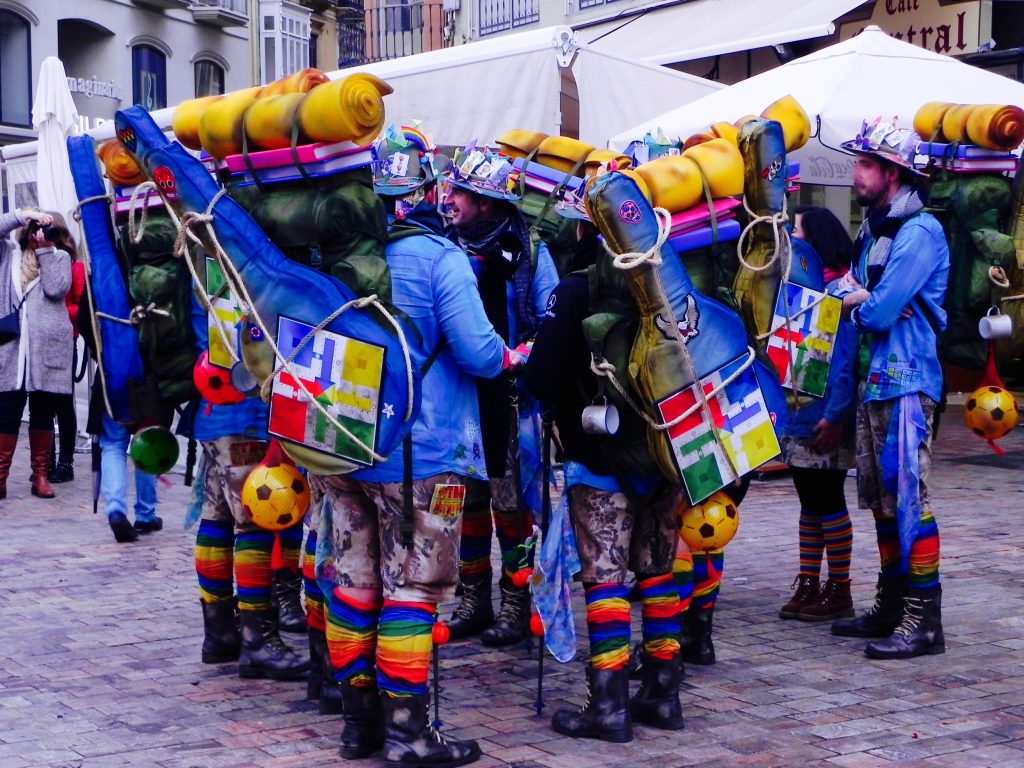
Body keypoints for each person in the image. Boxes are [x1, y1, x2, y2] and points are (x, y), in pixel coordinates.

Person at [312, 179, 522, 766]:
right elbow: (480, 353)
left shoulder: (323, 251)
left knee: (353, 583)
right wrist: (512, 356)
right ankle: (409, 734)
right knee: (415, 587)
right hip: (426, 454)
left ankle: (359, 728)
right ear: (423, 190)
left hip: (344, 443)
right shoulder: (437, 257)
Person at [524, 200, 686, 743]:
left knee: (605, 580)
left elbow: (543, 378)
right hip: (666, 453)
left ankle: (609, 705)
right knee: (658, 570)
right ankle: (664, 692)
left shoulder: (574, 291)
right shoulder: (670, 285)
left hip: (598, 460)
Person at [832, 120, 949, 659]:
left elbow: (875, 309)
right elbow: (853, 296)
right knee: (881, 501)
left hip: (906, 380)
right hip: (874, 379)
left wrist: (864, 299)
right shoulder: (874, 231)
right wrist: (864, 298)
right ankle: (890, 603)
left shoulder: (919, 232)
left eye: (865, 164)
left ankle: (923, 617)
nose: (856, 174)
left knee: (909, 498)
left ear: (893, 173)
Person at [441, 146, 559, 647]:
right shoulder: (442, 245)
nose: (449, 201)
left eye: (459, 194)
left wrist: (522, 355)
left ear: (486, 202)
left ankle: (517, 600)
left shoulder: (529, 250)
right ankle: (474, 599)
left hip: (512, 399)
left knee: (513, 508)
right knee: (467, 500)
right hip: (461, 397)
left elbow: (551, 317)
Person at [189, 295, 309, 681]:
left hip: (212, 410)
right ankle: (258, 640)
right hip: (246, 414)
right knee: (254, 524)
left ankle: (220, 632)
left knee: (217, 520)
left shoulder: (204, 264)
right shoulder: (242, 266)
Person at [778, 207, 859, 622]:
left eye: (796, 231)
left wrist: (837, 415)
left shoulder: (840, 293)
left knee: (827, 500)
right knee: (809, 502)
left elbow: (844, 363)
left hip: (825, 416)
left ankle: (839, 588)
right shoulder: (801, 292)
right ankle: (809, 580)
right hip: (800, 414)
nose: (790, 238)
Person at [0, 210, 72, 501]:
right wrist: (23, 214)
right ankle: (1, 475)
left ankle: (40, 476)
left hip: (47, 348)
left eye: (45, 230)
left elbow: (56, 289)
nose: (38, 235)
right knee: (6, 413)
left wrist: (46, 252)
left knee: (43, 413)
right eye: (34, 229)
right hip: (12, 347)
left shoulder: (60, 258)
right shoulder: (9, 254)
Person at [49, 230, 85, 484]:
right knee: (42, 405)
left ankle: (65, 461)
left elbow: (81, 307)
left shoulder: (75, 267)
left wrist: (55, 311)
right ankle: (45, 461)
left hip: (64, 339)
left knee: (63, 402)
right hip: (40, 342)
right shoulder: (36, 263)